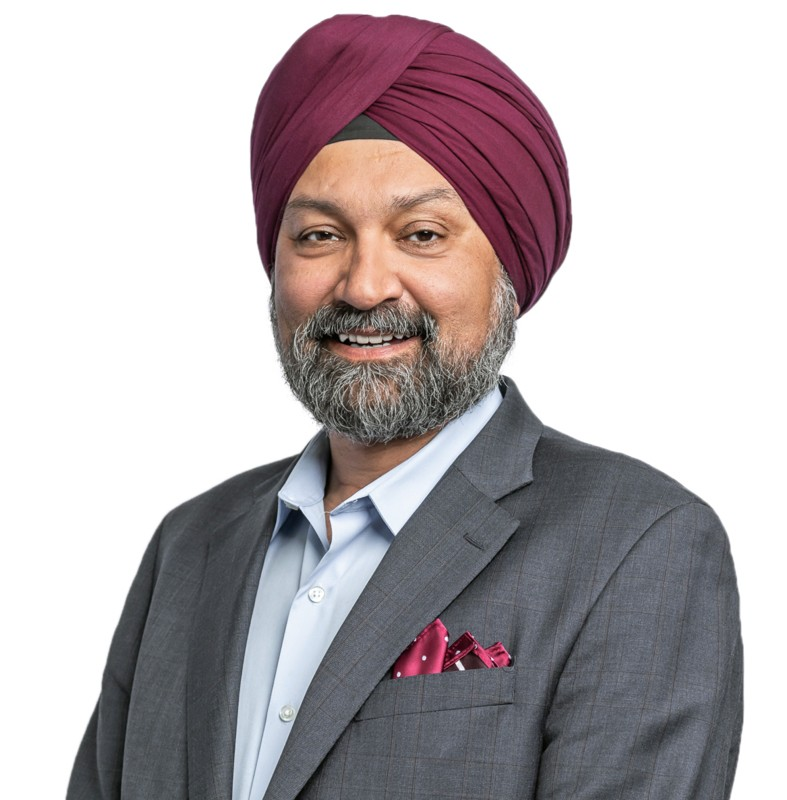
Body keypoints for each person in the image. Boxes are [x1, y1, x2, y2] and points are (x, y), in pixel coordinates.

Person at [67, 14, 742, 800]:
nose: (364, 286)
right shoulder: (189, 546)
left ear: (508, 268)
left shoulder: (637, 544)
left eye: (421, 234)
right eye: (320, 236)